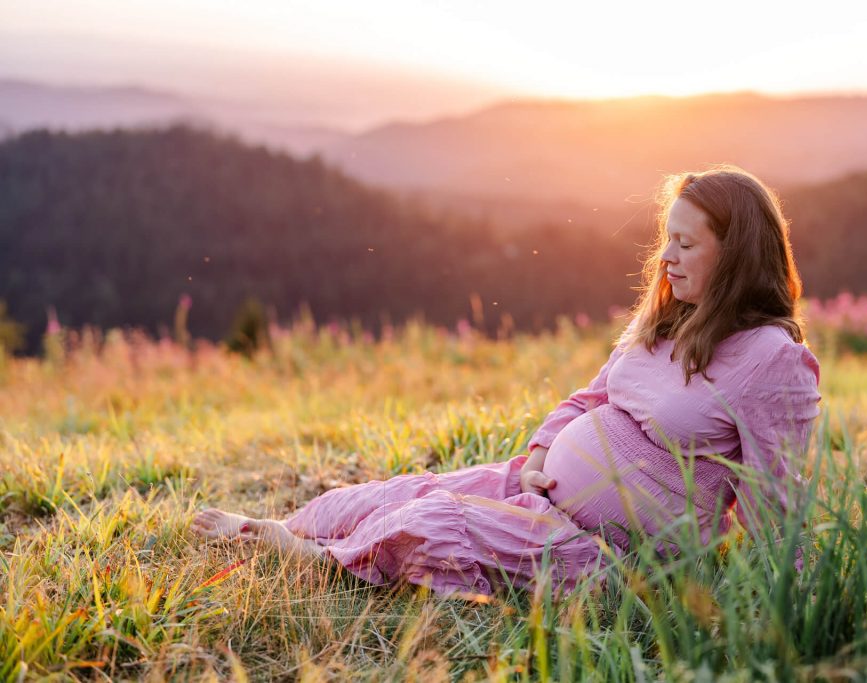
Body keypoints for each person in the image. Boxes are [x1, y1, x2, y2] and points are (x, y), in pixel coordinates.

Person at [191, 164, 822, 597]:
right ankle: (296, 526)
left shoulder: (771, 361)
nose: (665, 257)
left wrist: (784, 605)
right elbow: (591, 397)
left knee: (434, 524)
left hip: (607, 555)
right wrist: (542, 453)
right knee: (390, 497)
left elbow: (778, 499)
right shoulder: (666, 322)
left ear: (734, 253)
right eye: (667, 240)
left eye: (685, 245)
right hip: (541, 490)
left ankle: (309, 559)